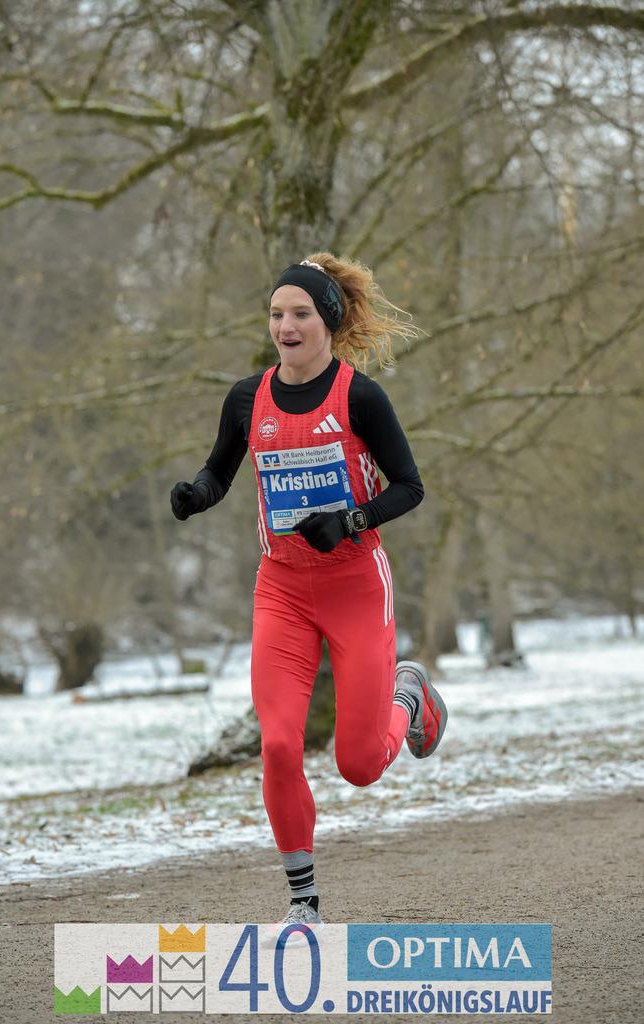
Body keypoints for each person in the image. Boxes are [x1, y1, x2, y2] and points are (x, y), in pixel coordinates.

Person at [170, 253, 448, 941]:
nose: (285, 326)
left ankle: (406, 693)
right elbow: (220, 470)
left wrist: (350, 521)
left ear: (326, 321)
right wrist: (195, 496)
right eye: (275, 314)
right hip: (283, 592)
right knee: (280, 745)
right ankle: (303, 901)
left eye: (299, 314)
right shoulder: (246, 398)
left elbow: (409, 486)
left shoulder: (360, 398)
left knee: (357, 765)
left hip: (355, 585)